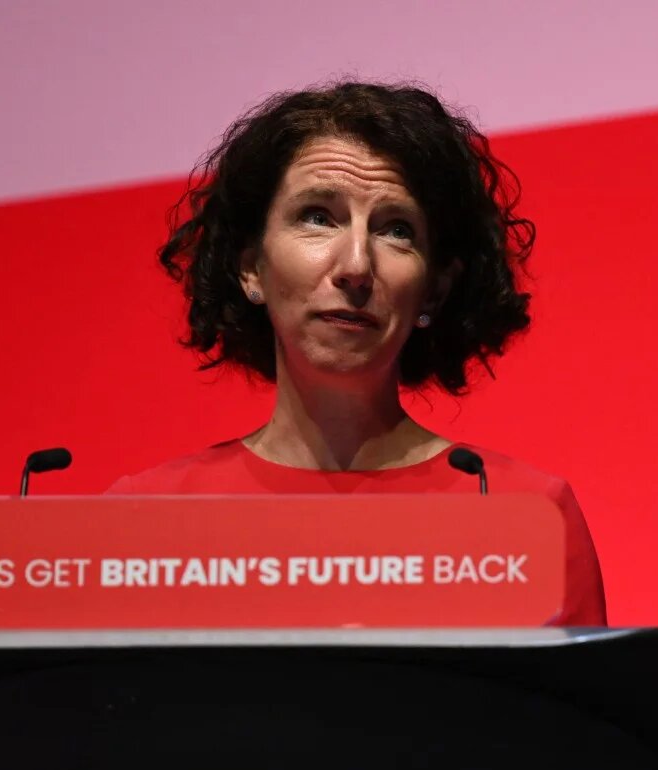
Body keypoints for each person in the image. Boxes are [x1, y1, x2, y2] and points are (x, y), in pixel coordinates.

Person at [109, 82, 606, 629]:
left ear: (435, 290)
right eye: (319, 216)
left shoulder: (524, 512)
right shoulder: (147, 515)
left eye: (397, 230)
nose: (356, 265)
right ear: (250, 266)